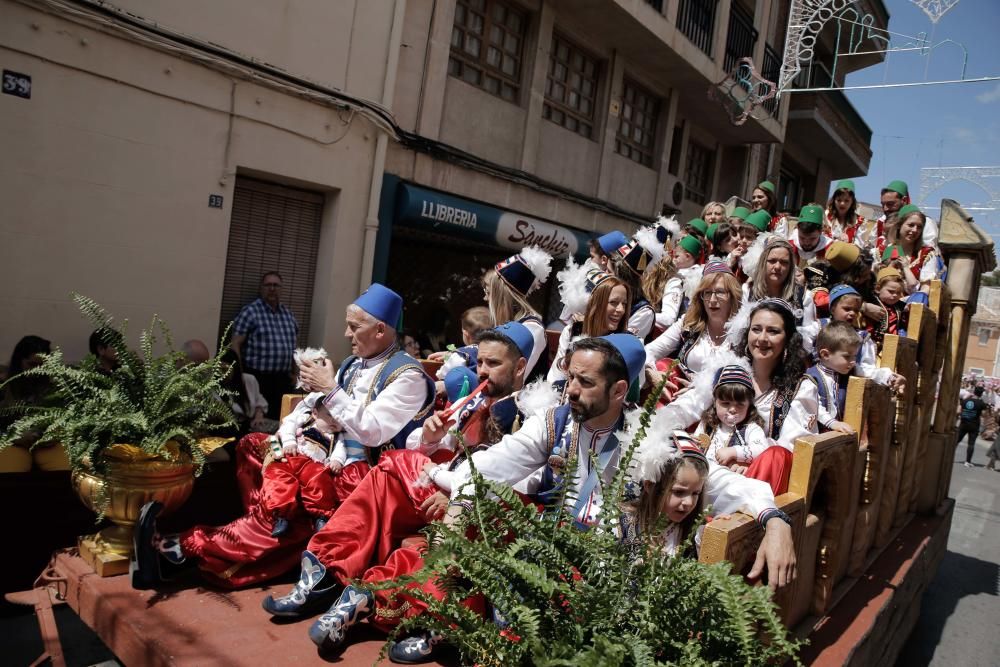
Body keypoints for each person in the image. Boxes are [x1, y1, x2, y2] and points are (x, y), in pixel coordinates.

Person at [260, 323, 544, 657]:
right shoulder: (473, 402)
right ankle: (322, 573)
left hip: (487, 506)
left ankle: (365, 597)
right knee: (391, 471)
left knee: (398, 466)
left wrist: (459, 491)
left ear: (521, 367)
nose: (482, 370)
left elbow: (527, 483)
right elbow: (430, 451)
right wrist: (430, 437)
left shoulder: (533, 415)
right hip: (445, 487)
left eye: (493, 363)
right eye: (479, 362)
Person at [131, 283, 434, 589]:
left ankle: (180, 547)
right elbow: (308, 405)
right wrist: (283, 440)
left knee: (290, 498)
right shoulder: (355, 365)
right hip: (318, 451)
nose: (346, 334)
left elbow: (371, 431)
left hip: (358, 475)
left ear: (380, 330)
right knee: (252, 446)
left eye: (354, 327)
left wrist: (329, 388)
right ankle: (264, 525)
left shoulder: (407, 375)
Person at [448, 334, 797, 589]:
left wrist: (776, 522)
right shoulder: (554, 422)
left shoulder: (652, 436)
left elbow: (729, 484)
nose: (570, 389)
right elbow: (490, 466)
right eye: (570, 377)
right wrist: (459, 499)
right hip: (548, 557)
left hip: (613, 578)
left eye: (584, 382)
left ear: (617, 392)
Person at [659, 299, 819, 496]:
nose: (762, 338)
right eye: (756, 329)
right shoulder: (728, 370)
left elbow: (793, 446)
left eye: (773, 331)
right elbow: (691, 405)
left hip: (762, 480)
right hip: (713, 467)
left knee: (777, 455)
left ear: (788, 339)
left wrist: (747, 459)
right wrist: (658, 426)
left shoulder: (800, 387)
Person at [645, 262, 741, 386]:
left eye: (720, 292)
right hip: (680, 399)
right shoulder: (689, 324)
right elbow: (649, 350)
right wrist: (650, 372)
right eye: (707, 293)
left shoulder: (743, 332)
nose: (712, 300)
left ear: (733, 296)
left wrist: (699, 390)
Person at [621, 433, 710, 558]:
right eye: (679, 492)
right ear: (650, 486)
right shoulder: (622, 526)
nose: (689, 502)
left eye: (695, 493)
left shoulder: (694, 533)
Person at [230, 271, 300, 419]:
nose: (272, 288)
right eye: (268, 285)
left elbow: (294, 347)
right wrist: (239, 374)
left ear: (282, 289)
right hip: (258, 380)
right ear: (261, 288)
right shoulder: (250, 312)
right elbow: (235, 344)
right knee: (257, 421)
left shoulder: (288, 314)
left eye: (276, 285)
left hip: (283, 380)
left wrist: (295, 374)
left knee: (280, 419)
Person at [548, 269, 629, 386]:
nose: (621, 310)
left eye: (624, 304)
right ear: (594, 305)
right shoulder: (571, 331)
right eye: (614, 302)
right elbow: (555, 378)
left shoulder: (627, 342)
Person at [482, 247, 553, 377]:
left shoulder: (532, 328)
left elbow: (513, 377)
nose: (485, 298)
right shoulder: (507, 324)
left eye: (487, 292)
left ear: (500, 295)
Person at [824, 285, 906, 392]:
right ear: (833, 308)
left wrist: (890, 377)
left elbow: (867, 369)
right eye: (847, 309)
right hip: (820, 383)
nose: (852, 313)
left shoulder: (861, 337)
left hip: (846, 389)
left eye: (856, 310)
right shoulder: (819, 327)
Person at [743, 238, 818, 350]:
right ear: (763, 262)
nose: (777, 267)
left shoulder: (803, 296)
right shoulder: (748, 291)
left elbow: (809, 334)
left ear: (790, 267)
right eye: (772, 261)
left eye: (784, 262)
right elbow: (742, 328)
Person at [692, 364, 769, 471]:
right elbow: (695, 447)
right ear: (715, 402)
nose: (732, 409)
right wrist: (691, 444)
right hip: (702, 476)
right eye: (725, 403)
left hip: (731, 479)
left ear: (749, 406)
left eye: (740, 404)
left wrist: (733, 452)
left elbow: (762, 450)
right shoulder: (706, 425)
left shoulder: (751, 428)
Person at [807, 322, 861, 434]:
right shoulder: (810, 377)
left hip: (842, 432)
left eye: (855, 356)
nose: (853, 361)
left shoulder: (849, 370)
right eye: (847, 356)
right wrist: (833, 423)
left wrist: (888, 377)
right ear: (825, 354)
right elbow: (814, 406)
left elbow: (870, 373)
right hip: (818, 434)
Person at [613, 229, 664, 340]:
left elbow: (623, 345)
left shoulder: (643, 311)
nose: (606, 274)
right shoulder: (606, 293)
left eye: (612, 270)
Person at [881, 204, 943, 294]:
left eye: (919, 227)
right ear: (899, 225)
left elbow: (926, 289)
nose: (915, 230)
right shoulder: (883, 250)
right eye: (911, 225)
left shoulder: (926, 254)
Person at [655, 235, 704, 329]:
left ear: (688, 256)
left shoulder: (681, 278)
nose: (673, 259)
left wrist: (646, 315)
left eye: (677, 256)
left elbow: (669, 318)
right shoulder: (699, 273)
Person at [866, 267, 909, 345]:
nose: (895, 295)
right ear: (878, 289)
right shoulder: (872, 301)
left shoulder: (898, 304)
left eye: (899, 292)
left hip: (892, 343)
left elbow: (908, 307)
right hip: (873, 343)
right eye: (891, 291)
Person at [958, 386, 987, 468]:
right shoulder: (981, 403)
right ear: (981, 394)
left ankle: (949, 455)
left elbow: (958, 411)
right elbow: (984, 415)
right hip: (974, 426)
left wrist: (963, 415)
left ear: (974, 392)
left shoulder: (965, 401)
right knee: (971, 443)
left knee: (957, 441)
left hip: (963, 424)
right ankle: (967, 461)